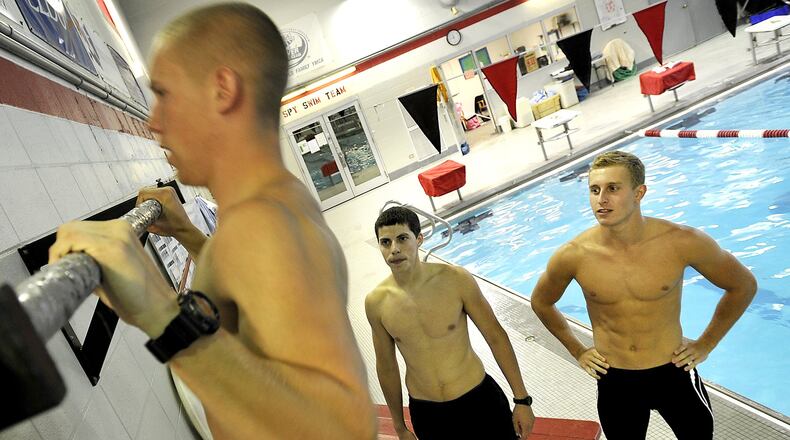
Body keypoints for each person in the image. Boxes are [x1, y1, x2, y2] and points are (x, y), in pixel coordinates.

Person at [48, 4, 376, 439]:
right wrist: (188, 234)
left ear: (222, 89)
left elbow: (346, 429)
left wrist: (157, 310)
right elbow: (253, 301)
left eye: (164, 94)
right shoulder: (278, 203)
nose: (154, 122)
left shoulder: (259, 227)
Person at [530, 150, 757, 440]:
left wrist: (706, 344)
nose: (601, 199)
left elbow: (743, 285)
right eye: (594, 190)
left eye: (613, 188)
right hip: (616, 379)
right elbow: (541, 301)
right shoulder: (574, 255)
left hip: (674, 372)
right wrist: (579, 351)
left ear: (639, 193)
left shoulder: (681, 241)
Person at [366, 206, 535, 440]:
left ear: (419, 239)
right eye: (385, 242)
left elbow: (495, 336)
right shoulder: (376, 302)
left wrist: (522, 399)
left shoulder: (456, 280)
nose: (394, 249)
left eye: (402, 238)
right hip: (428, 414)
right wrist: (399, 426)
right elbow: (386, 367)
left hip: (478, 401)